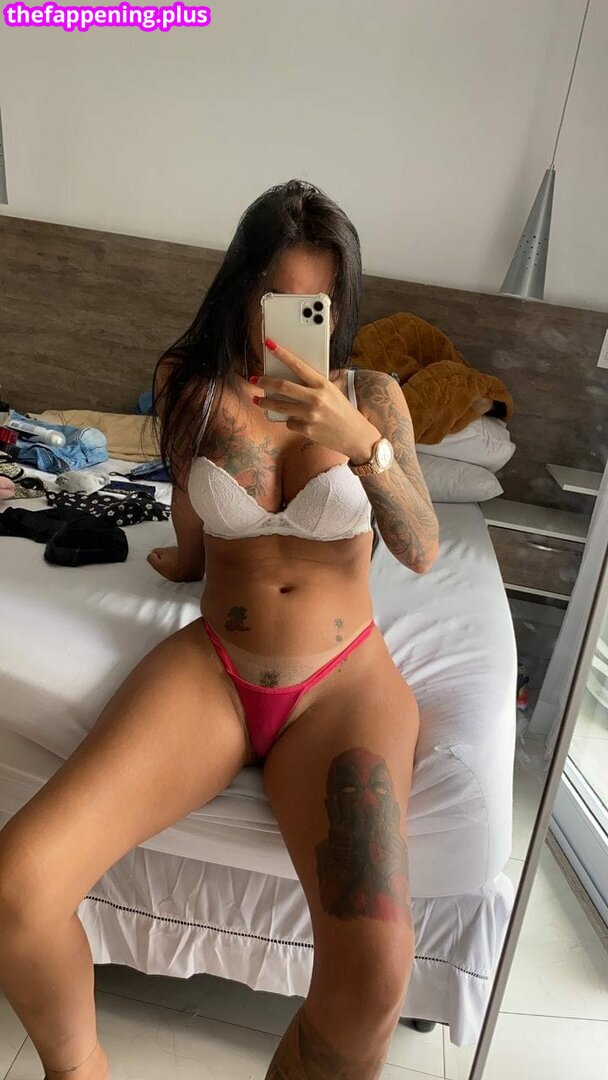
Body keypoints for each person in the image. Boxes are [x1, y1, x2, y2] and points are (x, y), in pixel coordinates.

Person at [0, 179, 439, 1080]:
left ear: (340, 303)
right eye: (277, 299)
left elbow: (423, 548)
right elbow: (196, 519)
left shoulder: (373, 396)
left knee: (376, 973)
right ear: (242, 289)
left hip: (343, 682)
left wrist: (362, 443)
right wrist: (182, 562)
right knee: (17, 888)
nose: (294, 325)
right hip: (217, 670)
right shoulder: (191, 388)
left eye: (316, 304)